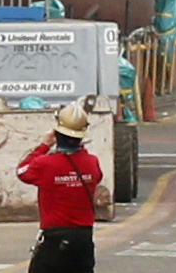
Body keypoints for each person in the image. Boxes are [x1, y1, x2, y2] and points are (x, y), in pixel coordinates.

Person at [21, 103, 110, 273]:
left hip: (55, 240)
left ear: (58, 133)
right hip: (83, 240)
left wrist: (44, 145)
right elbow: (96, 177)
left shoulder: (45, 163)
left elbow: (22, 171)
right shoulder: (91, 162)